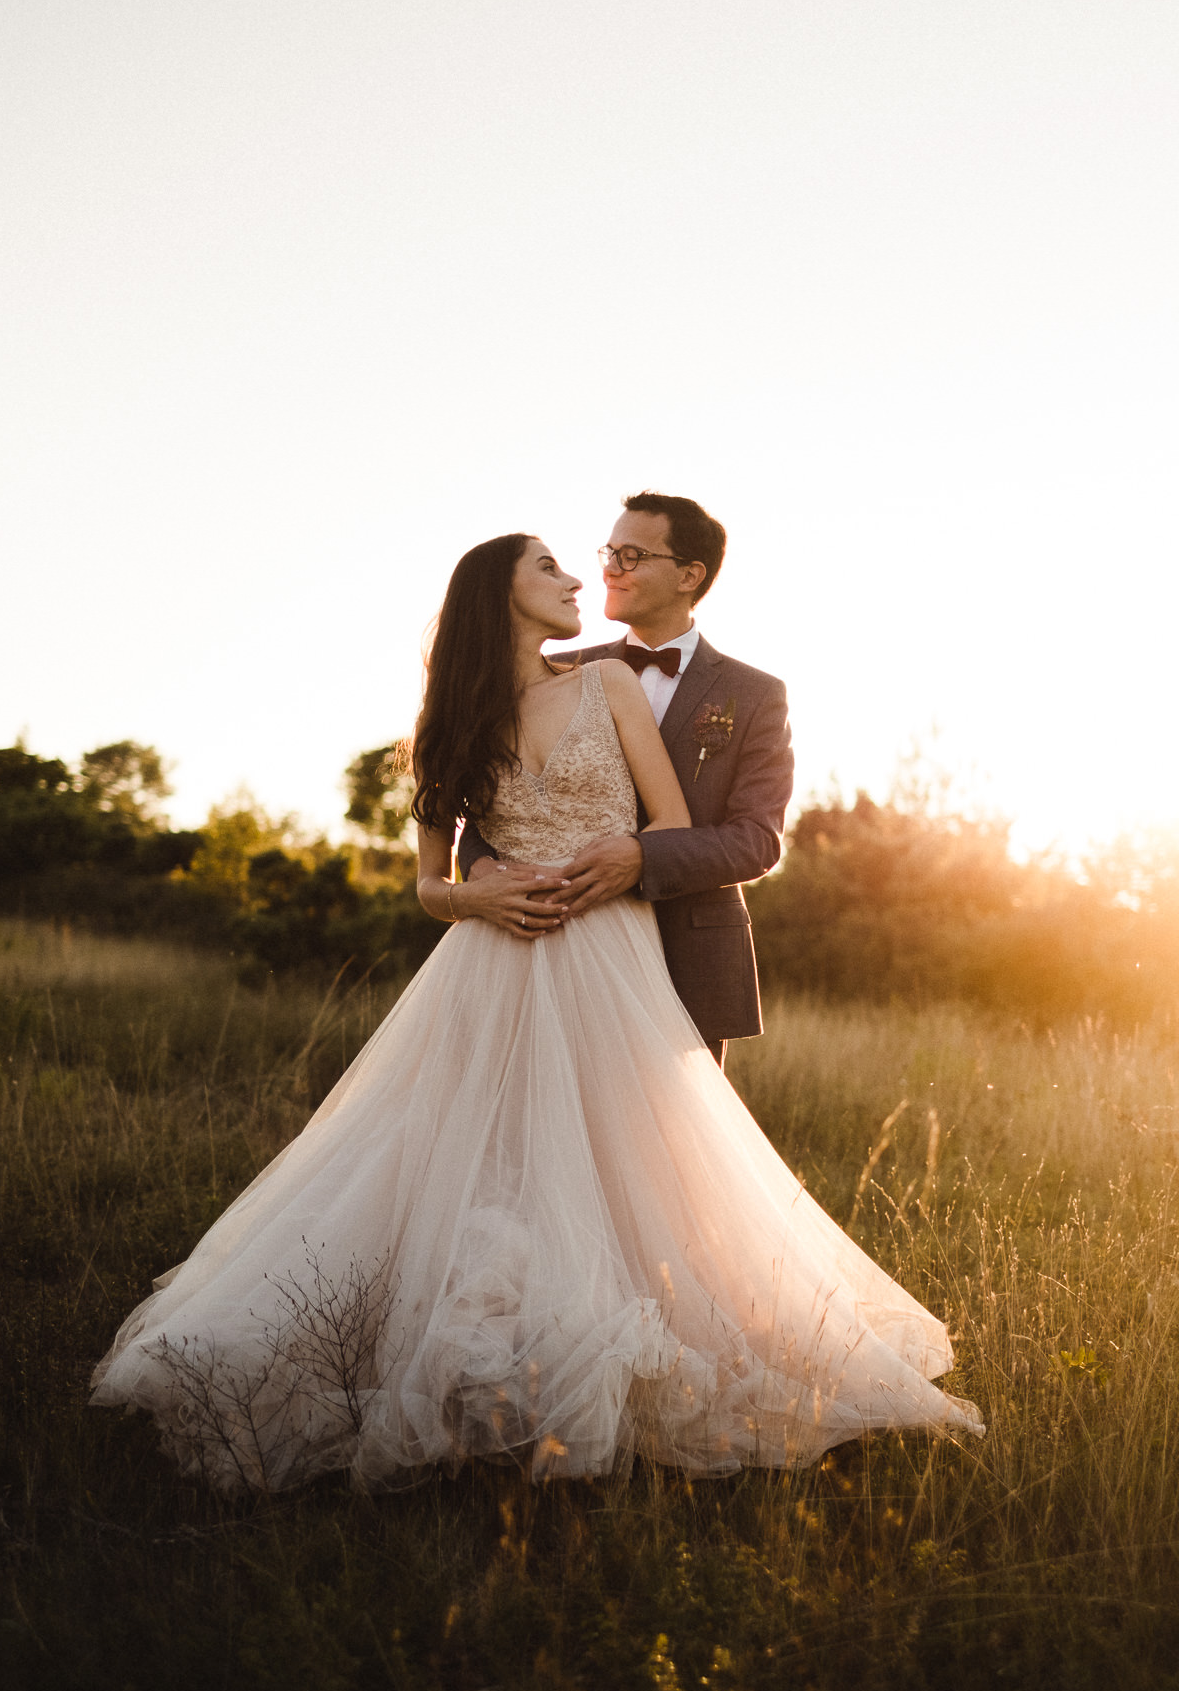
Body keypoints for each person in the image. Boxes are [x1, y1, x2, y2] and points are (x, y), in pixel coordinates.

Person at [90, 532, 983, 1492]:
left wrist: (619, 864)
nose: (576, 579)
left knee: (635, 1159)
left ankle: (640, 1333)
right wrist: (479, 897)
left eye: (585, 562)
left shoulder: (607, 690)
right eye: (551, 568)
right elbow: (430, 882)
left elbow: (674, 830)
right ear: (499, 598)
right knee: (474, 1152)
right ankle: (459, 1346)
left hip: (610, 953)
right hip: (493, 959)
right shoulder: (451, 721)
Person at [458, 491, 794, 1066]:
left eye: (632, 555)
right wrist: (479, 867)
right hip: (555, 944)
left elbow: (757, 839)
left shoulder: (756, 694)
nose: (609, 568)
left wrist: (643, 856)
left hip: (691, 953)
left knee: (667, 1149)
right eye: (609, 551)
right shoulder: (561, 673)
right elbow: (503, 802)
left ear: (690, 575)